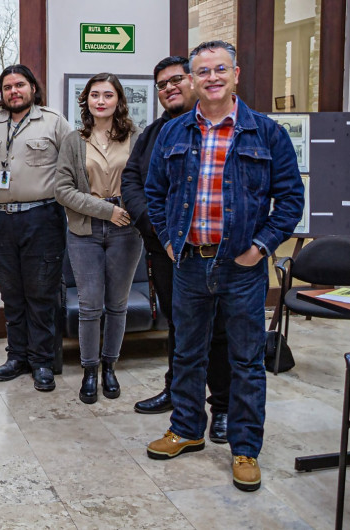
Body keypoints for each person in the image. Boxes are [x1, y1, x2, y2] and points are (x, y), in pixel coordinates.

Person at [144, 41, 304, 492]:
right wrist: (170, 240)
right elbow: (155, 193)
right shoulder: (173, 133)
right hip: (189, 262)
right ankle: (187, 429)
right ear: (192, 80)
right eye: (202, 71)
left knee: (246, 360)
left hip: (242, 267)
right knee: (187, 353)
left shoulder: (267, 133)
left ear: (236, 74)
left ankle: (245, 448)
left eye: (220, 69)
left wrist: (260, 248)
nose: (211, 78)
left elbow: (291, 200)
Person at [121, 56, 232, 444]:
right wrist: (155, 227)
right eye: (161, 84)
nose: (169, 88)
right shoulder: (153, 134)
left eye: (176, 79)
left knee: (217, 329)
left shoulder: (219, 128)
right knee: (179, 326)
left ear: (194, 81)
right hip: (167, 252)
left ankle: (223, 406)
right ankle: (179, 394)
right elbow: (132, 182)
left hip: (214, 251)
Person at [0, 64, 72, 392]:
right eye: (7, 87)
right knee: (11, 292)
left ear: (32, 88)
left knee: (41, 293)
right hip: (3, 220)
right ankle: (17, 357)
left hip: (42, 218)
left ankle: (41, 361)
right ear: (2, 93)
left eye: (20, 85)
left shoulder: (53, 121)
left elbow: (73, 163)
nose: (14, 91)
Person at [55, 73, 143, 404]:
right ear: (86, 100)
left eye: (108, 95)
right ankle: (89, 371)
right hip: (85, 230)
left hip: (127, 229)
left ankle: (110, 367)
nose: (101, 101)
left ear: (119, 100)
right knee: (90, 305)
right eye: (95, 95)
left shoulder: (136, 137)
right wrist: (106, 211)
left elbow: (145, 182)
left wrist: (129, 211)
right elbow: (62, 190)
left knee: (117, 305)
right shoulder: (74, 140)